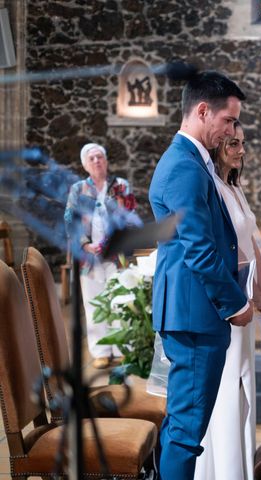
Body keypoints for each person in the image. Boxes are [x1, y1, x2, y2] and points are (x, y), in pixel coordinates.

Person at [149, 71, 253, 480]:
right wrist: (236, 304)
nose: (232, 130)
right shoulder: (185, 168)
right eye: (228, 120)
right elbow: (200, 250)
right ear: (203, 110)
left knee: (183, 427)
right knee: (186, 433)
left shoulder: (191, 161)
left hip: (193, 313)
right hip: (195, 316)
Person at [193, 122, 261, 480]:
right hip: (224, 305)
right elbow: (211, 252)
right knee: (226, 391)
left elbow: (252, 250)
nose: (241, 151)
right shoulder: (210, 188)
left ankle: (240, 470)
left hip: (243, 299)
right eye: (232, 144)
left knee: (243, 388)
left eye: (242, 143)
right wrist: (243, 297)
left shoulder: (233, 188)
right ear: (217, 146)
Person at [64, 142, 135, 369]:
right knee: (95, 303)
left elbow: (129, 216)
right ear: (85, 165)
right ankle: (101, 351)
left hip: (116, 255)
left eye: (100, 157)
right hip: (90, 257)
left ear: (106, 161)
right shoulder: (78, 189)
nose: (97, 161)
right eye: (92, 158)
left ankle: (123, 348)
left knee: (120, 301)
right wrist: (85, 245)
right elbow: (69, 220)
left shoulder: (121, 186)